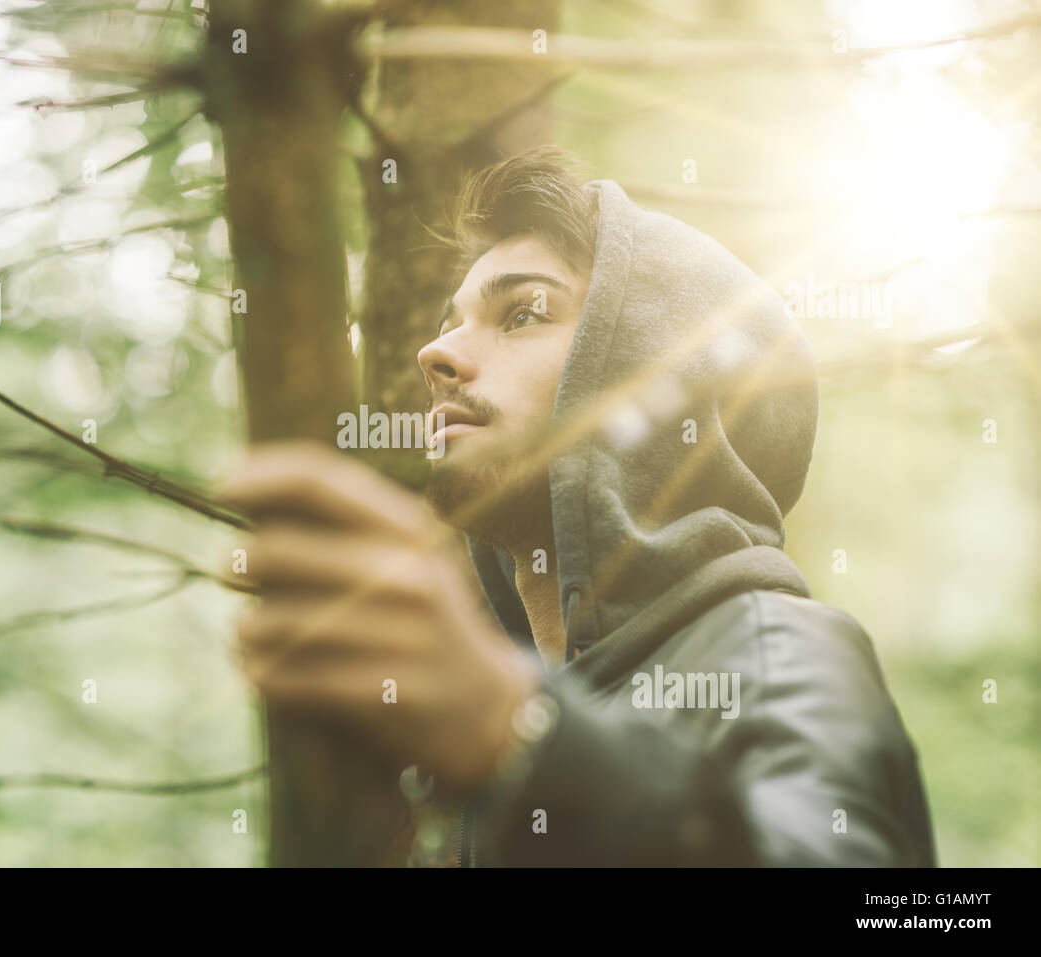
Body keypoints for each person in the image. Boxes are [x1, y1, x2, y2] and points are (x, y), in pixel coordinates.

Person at [218, 145, 937, 867]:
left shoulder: (777, 650)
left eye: (523, 312)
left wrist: (518, 735)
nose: (434, 353)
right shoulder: (493, 713)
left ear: (648, 371)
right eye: (450, 320)